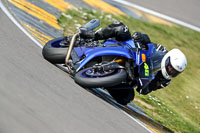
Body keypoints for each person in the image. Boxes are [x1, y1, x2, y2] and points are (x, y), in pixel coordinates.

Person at [78, 21, 187, 95]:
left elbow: (144, 91)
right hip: (132, 52)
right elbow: (146, 41)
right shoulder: (161, 52)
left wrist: (144, 84)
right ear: (168, 60)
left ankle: (105, 81)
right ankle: (92, 36)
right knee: (121, 27)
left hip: (133, 75)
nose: (171, 71)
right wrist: (141, 38)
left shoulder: (164, 80)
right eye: (171, 68)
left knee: (127, 98)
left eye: (175, 72)